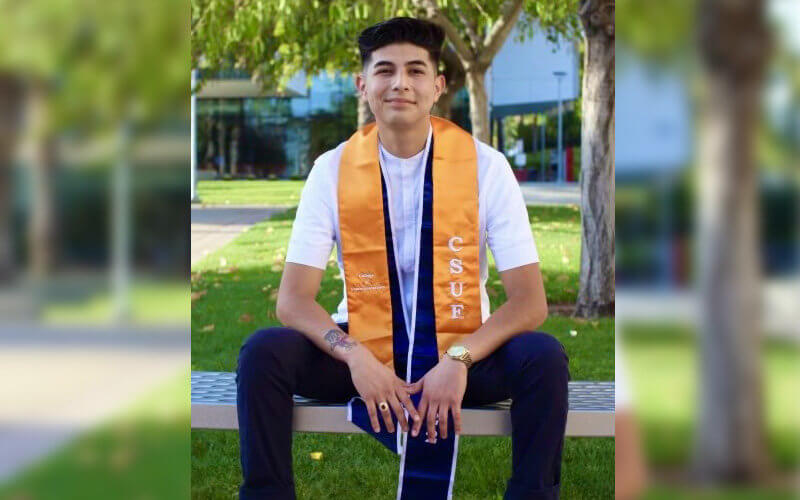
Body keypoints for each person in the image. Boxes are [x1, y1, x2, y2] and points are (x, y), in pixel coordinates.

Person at [236, 17, 569, 500]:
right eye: (385, 70)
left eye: (415, 71)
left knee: (543, 358)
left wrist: (458, 359)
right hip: (364, 353)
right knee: (263, 353)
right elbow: (292, 301)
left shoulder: (486, 168)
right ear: (362, 85)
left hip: (462, 353)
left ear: (437, 86)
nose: (400, 83)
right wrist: (356, 357)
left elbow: (529, 303)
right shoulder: (331, 171)